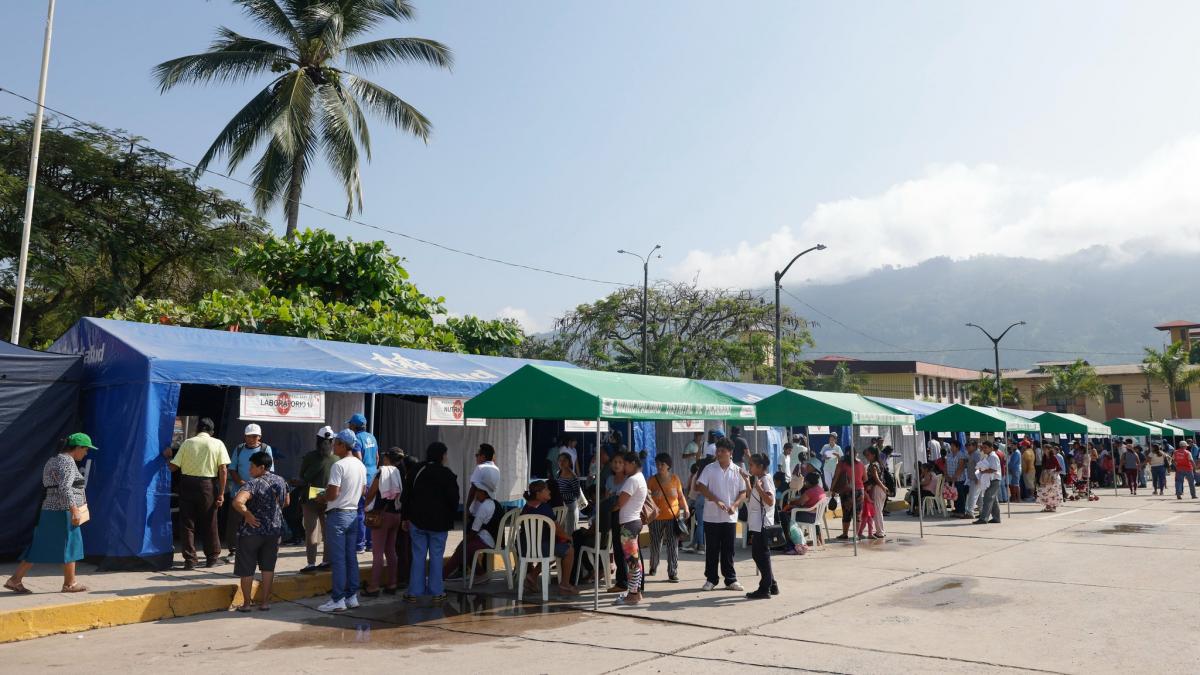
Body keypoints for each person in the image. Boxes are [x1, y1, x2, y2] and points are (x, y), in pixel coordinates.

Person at [5, 433, 96, 594]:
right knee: (71, 543)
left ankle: (15, 580)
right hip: (63, 511)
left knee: (40, 546)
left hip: (50, 510)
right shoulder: (67, 462)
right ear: (77, 447)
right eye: (86, 449)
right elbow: (65, 488)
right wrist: (74, 510)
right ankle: (70, 584)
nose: (86, 453)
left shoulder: (53, 460)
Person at [164, 418, 230, 570]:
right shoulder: (217, 443)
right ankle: (212, 558)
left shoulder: (187, 443)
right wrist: (221, 493)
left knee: (187, 523)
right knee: (210, 522)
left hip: (187, 485)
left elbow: (173, 467)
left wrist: (168, 456)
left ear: (196, 430)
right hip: (207, 486)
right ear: (211, 432)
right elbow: (223, 469)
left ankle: (190, 560)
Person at [402, 441, 459, 605]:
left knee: (418, 556)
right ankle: (437, 592)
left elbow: (406, 496)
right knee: (436, 557)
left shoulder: (417, 470)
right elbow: (454, 500)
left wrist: (405, 518)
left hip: (417, 521)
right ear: (442, 455)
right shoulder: (447, 474)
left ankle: (414, 592)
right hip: (440, 524)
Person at [231, 451, 288, 612]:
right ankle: (264, 603)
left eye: (252, 466)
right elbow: (287, 502)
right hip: (273, 532)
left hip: (251, 532)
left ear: (262, 467)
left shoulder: (252, 484)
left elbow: (238, 502)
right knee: (268, 568)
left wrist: (247, 514)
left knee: (247, 568)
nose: (250, 470)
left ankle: (247, 604)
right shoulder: (281, 481)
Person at [316, 430, 366, 613]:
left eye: (336, 443)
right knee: (350, 558)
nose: (333, 445)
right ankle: (352, 596)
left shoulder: (339, 466)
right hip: (353, 513)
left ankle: (338, 599)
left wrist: (322, 497)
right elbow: (362, 490)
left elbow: (332, 493)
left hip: (338, 515)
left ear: (343, 445)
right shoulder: (360, 465)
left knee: (338, 559)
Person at [695, 438, 747, 592]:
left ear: (730, 453)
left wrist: (735, 505)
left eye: (723, 451)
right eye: (718, 450)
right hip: (711, 516)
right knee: (712, 549)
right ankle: (711, 579)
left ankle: (730, 579)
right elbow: (700, 486)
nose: (719, 453)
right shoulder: (710, 468)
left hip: (730, 517)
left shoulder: (737, 470)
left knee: (728, 549)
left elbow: (743, 492)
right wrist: (717, 501)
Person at [518, 480, 579, 597]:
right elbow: (558, 531)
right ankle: (565, 584)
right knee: (568, 551)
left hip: (525, 548)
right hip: (542, 546)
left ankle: (533, 576)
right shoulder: (545, 508)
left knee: (553, 551)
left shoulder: (526, 507)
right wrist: (569, 537)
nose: (549, 491)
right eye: (546, 489)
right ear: (538, 493)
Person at [224, 423, 272, 563]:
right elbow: (232, 468)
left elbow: (268, 470)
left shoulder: (265, 449)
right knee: (235, 522)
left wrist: (256, 485)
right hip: (239, 492)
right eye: (249, 436)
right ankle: (233, 551)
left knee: (255, 521)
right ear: (244, 437)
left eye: (254, 436)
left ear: (259, 437)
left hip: (259, 494)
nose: (251, 439)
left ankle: (254, 551)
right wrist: (241, 482)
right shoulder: (239, 449)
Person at [443, 469, 502, 581]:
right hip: (491, 538)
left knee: (463, 549)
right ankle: (480, 574)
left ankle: (441, 576)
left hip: (487, 540)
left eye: (478, 491)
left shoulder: (484, 507)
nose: (476, 494)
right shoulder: (492, 503)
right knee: (465, 547)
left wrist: (463, 545)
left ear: (485, 493)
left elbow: (474, 531)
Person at [362, 449, 404, 596]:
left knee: (378, 553)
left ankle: (373, 586)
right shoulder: (400, 472)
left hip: (381, 515)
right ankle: (392, 584)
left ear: (386, 458)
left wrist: (366, 506)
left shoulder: (382, 472)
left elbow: (371, 493)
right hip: (396, 515)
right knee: (391, 551)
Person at [298, 427, 337, 573]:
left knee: (312, 531)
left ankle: (311, 563)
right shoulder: (337, 458)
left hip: (313, 498)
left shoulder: (311, 456)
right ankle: (325, 561)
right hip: (328, 499)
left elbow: (302, 476)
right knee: (326, 532)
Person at [614, 451, 650, 605]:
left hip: (628, 524)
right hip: (633, 522)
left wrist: (611, 506)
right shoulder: (640, 478)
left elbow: (620, 502)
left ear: (632, 463)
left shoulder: (632, 480)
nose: (624, 468)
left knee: (632, 561)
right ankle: (635, 592)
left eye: (625, 464)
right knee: (634, 560)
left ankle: (633, 594)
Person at [647, 455, 688, 583]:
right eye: (658, 464)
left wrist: (685, 508)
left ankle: (672, 572)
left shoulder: (675, 479)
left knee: (672, 545)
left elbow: (681, 496)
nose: (659, 467)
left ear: (668, 466)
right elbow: (646, 497)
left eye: (662, 464)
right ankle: (653, 565)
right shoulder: (652, 480)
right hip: (656, 517)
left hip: (673, 517)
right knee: (655, 544)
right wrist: (653, 495)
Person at [744, 453, 777, 600]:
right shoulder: (760, 480)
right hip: (757, 523)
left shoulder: (765, 480)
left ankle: (765, 588)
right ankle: (772, 584)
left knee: (760, 555)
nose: (750, 467)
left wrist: (759, 487)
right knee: (761, 555)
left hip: (763, 524)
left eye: (752, 465)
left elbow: (769, 501)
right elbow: (753, 496)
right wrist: (748, 482)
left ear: (760, 467)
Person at [348, 413, 378, 553]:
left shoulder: (356, 439)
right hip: (373, 477)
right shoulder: (372, 437)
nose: (349, 426)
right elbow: (377, 457)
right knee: (371, 510)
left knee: (360, 511)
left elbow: (359, 459)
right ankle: (371, 543)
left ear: (354, 426)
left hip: (363, 478)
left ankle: (360, 545)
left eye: (350, 424)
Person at [781, 472, 825, 555]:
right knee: (791, 512)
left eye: (805, 481)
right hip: (816, 516)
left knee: (785, 517)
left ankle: (791, 543)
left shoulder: (810, 491)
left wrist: (791, 502)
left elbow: (799, 502)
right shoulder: (820, 489)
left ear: (808, 482)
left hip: (809, 516)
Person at [831, 450, 865, 540]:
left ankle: (845, 534)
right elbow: (865, 478)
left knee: (846, 513)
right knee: (857, 514)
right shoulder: (861, 464)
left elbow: (836, 477)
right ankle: (856, 535)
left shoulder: (841, 464)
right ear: (855, 454)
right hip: (860, 491)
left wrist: (832, 489)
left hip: (847, 491)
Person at [973, 441, 1002, 524]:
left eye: (986, 447)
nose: (984, 449)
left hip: (994, 479)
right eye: (983, 447)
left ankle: (983, 518)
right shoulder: (989, 456)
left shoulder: (993, 456)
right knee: (993, 499)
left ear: (991, 448)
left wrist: (983, 471)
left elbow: (994, 469)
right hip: (991, 479)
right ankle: (996, 518)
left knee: (988, 498)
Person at [554, 452, 583, 534]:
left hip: (570, 508)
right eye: (560, 460)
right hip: (560, 507)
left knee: (569, 532)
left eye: (564, 460)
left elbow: (577, 494)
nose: (561, 462)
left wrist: (561, 496)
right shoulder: (558, 473)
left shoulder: (573, 476)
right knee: (561, 532)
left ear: (569, 462)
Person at [861, 447, 886, 538]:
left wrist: (882, 487)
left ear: (873, 454)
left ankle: (880, 532)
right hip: (881, 489)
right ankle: (881, 530)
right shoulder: (879, 463)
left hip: (877, 489)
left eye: (868, 455)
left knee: (877, 511)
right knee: (879, 510)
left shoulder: (873, 465)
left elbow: (876, 478)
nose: (867, 457)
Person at [946, 440, 970, 518]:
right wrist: (947, 475)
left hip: (959, 479)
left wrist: (955, 477)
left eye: (953, 446)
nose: (951, 447)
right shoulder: (949, 455)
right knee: (953, 495)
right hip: (950, 478)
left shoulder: (961, 455)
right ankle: (956, 509)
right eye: (951, 446)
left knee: (960, 495)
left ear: (957, 447)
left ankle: (961, 511)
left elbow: (961, 466)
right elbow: (945, 465)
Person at [1037, 444, 1062, 512]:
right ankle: (1047, 506)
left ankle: (1053, 507)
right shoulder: (1044, 457)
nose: (1044, 450)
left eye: (1045, 449)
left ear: (1049, 449)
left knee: (1053, 492)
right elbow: (1043, 466)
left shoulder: (1053, 457)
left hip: (1053, 476)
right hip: (1046, 476)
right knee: (1045, 491)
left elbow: (1059, 468)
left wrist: (1053, 473)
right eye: (1043, 449)